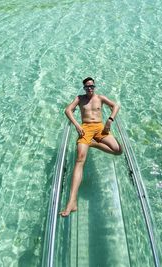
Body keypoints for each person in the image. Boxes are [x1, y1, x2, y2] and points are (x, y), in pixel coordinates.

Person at [59, 77, 122, 217]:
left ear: (94, 86)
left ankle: (93, 144)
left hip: (100, 128)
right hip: (85, 128)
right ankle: (71, 202)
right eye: (87, 87)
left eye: (91, 86)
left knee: (118, 150)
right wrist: (77, 125)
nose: (89, 89)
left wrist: (110, 120)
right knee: (80, 159)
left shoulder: (100, 97)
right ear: (84, 88)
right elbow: (68, 110)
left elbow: (116, 106)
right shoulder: (80, 99)